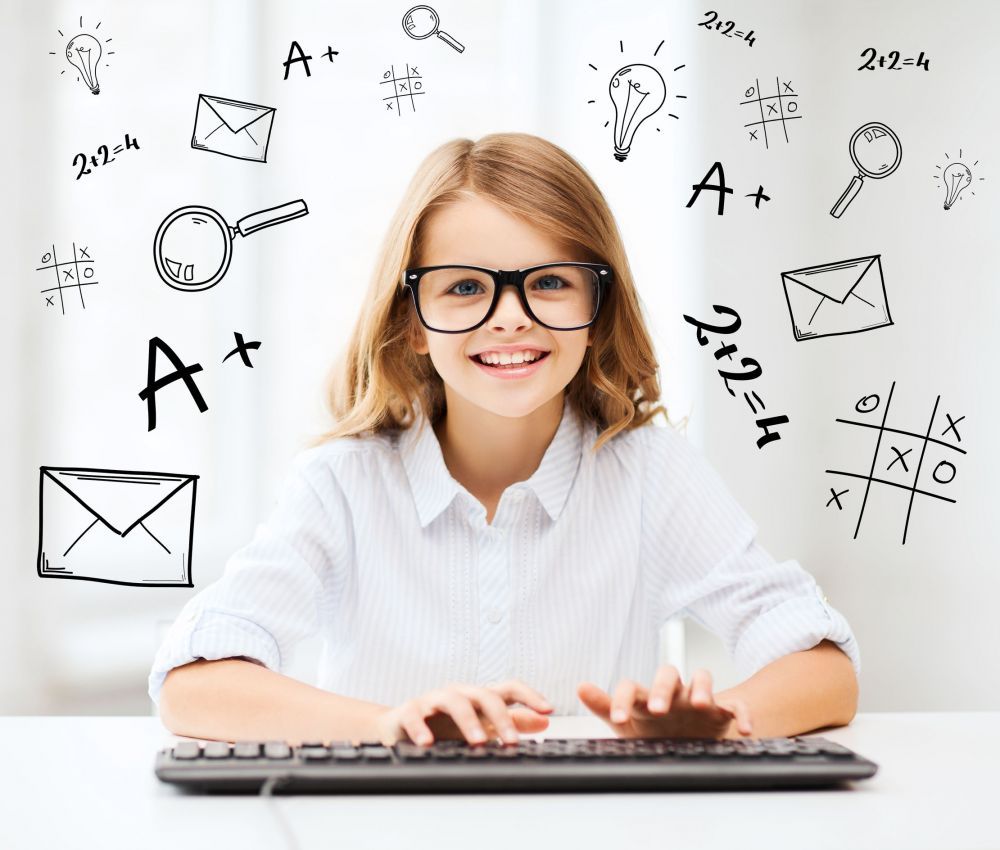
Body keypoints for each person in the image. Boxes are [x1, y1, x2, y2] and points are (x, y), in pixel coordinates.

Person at [150, 132, 860, 748]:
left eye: (549, 281)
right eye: (464, 288)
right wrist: (391, 725)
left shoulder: (651, 473)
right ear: (414, 321)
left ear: (596, 305)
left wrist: (726, 722)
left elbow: (824, 669)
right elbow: (193, 684)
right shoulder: (341, 484)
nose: (510, 319)